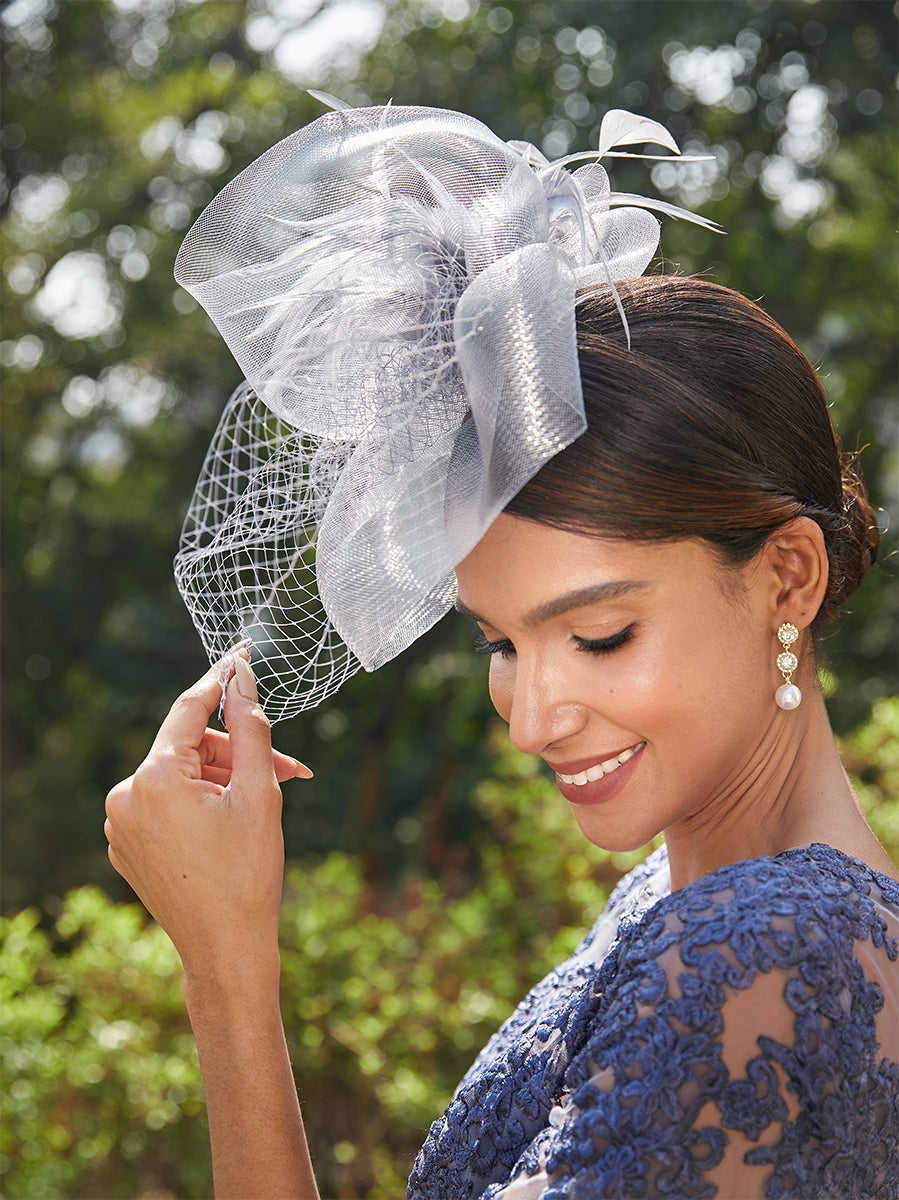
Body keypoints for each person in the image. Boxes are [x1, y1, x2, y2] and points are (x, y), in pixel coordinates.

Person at [104, 100, 898, 1199]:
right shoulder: (669, 908)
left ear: (787, 578)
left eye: (598, 634)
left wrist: (228, 971)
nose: (530, 721)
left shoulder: (767, 954)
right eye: (500, 643)